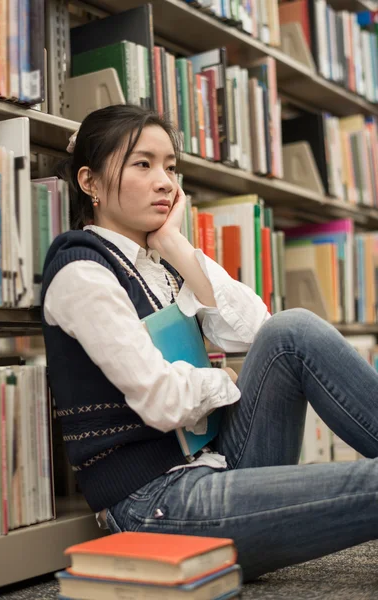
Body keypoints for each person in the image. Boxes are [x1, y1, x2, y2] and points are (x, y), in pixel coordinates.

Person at [41, 104, 378, 583]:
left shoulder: (160, 260)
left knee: (293, 329)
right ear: (90, 182)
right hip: (156, 505)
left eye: (171, 167)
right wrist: (223, 381)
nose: (164, 182)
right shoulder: (82, 273)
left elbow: (261, 331)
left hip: (216, 463)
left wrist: (177, 247)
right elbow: (160, 401)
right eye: (143, 164)